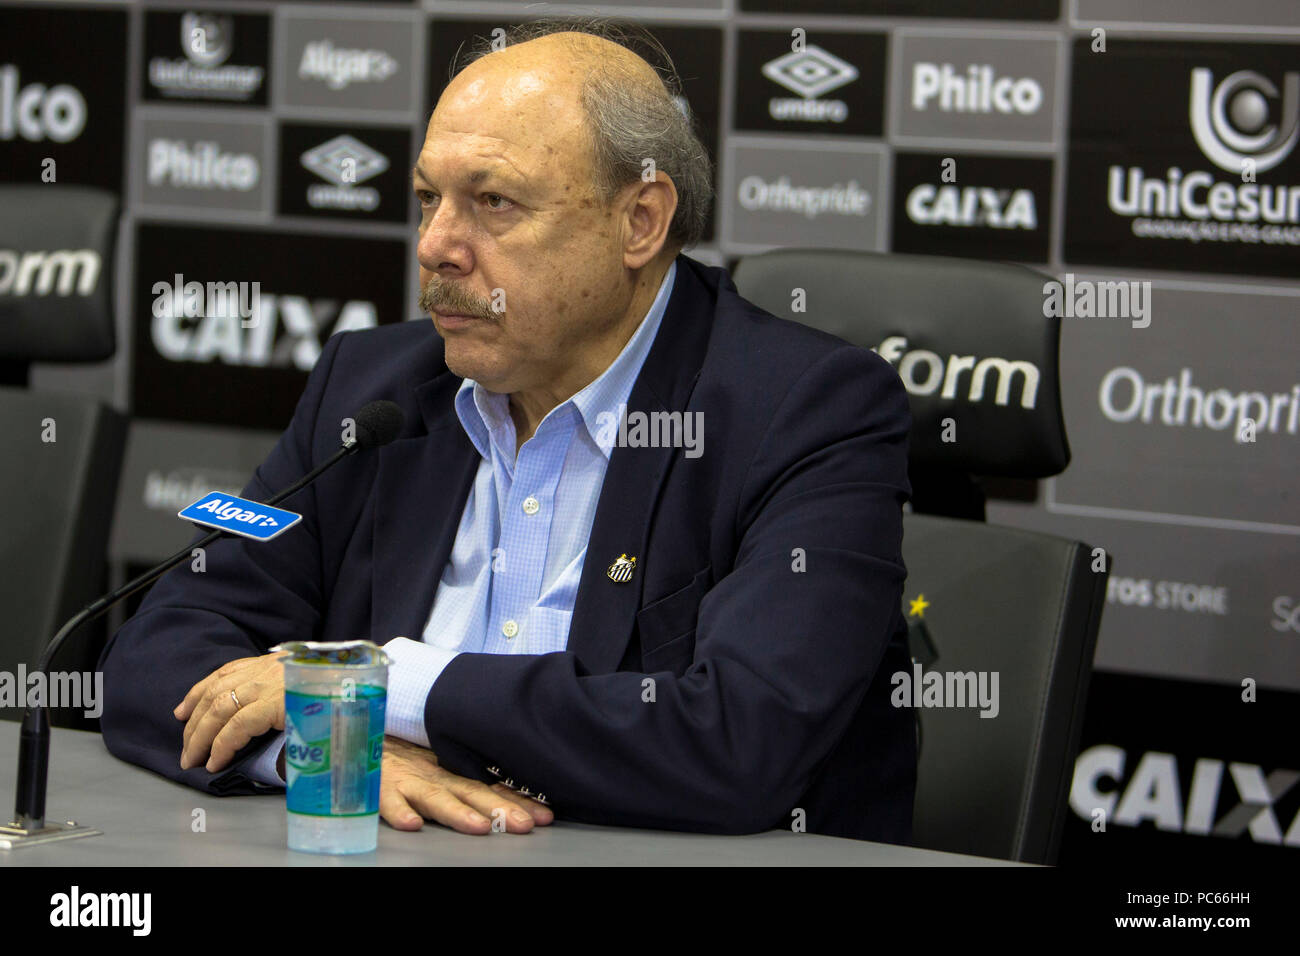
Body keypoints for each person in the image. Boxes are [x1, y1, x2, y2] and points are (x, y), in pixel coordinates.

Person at [99, 17, 916, 842]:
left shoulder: (805, 410)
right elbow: (158, 650)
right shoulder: (374, 390)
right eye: (428, 199)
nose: (436, 246)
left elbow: (743, 739)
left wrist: (386, 688)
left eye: (493, 203)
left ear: (640, 221)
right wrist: (333, 748)